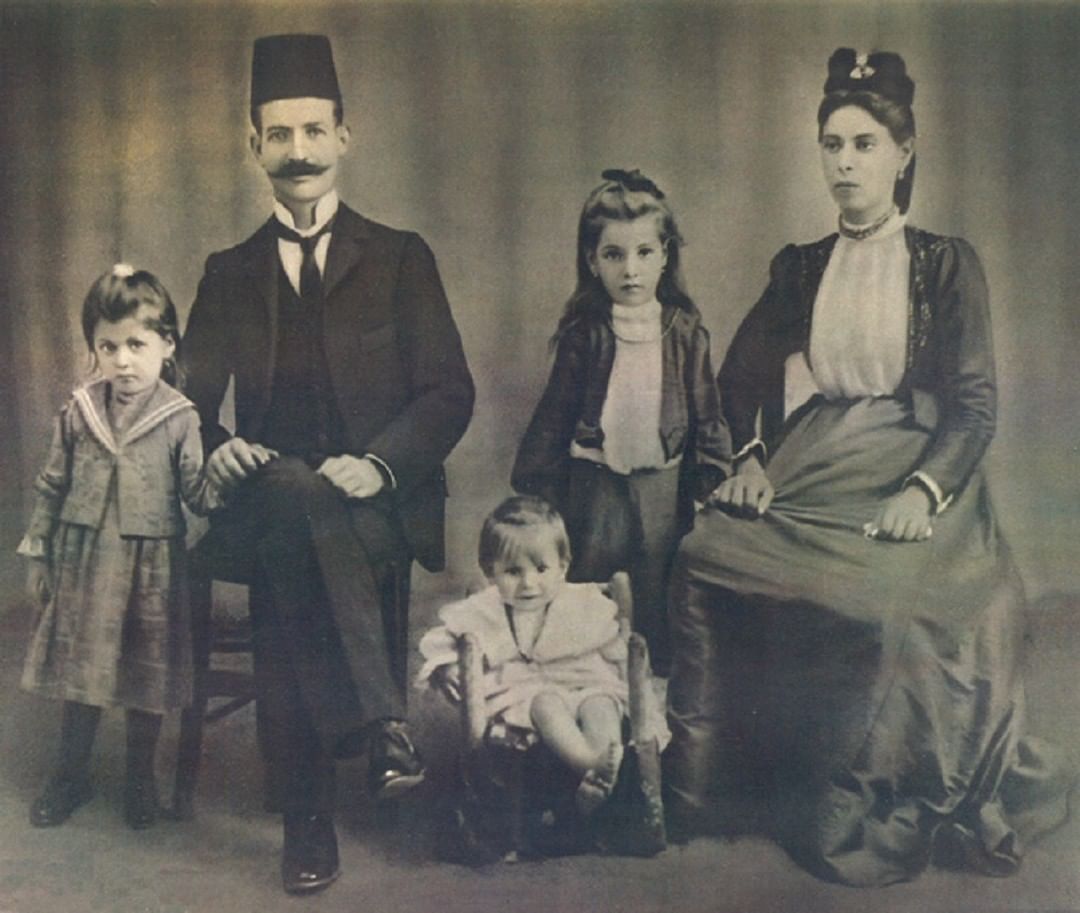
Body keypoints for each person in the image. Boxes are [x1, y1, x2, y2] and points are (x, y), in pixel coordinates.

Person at [663, 49, 1071, 886]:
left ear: (904, 152)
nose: (845, 163)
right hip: (815, 451)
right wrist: (747, 457)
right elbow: (739, 376)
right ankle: (706, 779)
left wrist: (924, 490)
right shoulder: (802, 265)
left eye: (864, 144)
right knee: (707, 551)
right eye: (831, 145)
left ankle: (855, 785)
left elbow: (976, 405)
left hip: (919, 459)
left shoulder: (946, 264)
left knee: (882, 601)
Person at [182, 34, 474, 894]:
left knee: (297, 543)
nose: (299, 151)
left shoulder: (400, 256)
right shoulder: (227, 272)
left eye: (314, 130)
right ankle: (384, 721)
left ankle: (305, 814)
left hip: (375, 499)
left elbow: (449, 393)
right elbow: (186, 407)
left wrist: (380, 465)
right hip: (264, 491)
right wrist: (214, 445)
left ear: (345, 136)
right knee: (288, 500)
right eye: (280, 134)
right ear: (254, 148)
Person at [511, 170, 732, 675]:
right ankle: (591, 693)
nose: (630, 270)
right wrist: (537, 492)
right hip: (595, 489)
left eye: (644, 253)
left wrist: (711, 480)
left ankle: (649, 716)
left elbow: (708, 415)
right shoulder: (585, 335)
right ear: (592, 261)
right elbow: (554, 415)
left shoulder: (685, 333)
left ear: (665, 254)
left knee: (657, 598)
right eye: (613, 255)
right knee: (591, 594)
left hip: (663, 489)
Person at [19, 265, 215, 831]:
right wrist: (39, 551)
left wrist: (227, 474)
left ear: (166, 344)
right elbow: (53, 484)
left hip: (150, 564)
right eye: (108, 347)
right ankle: (70, 774)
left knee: (143, 677)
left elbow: (198, 494)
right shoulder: (79, 410)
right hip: (84, 560)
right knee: (83, 673)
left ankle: (139, 783)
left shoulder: (179, 417)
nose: (122, 360)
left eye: (136, 344)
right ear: (94, 349)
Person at [416, 496, 644, 815]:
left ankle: (604, 768)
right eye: (512, 571)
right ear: (490, 571)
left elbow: (614, 647)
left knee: (603, 706)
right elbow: (444, 640)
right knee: (546, 706)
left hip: (585, 682)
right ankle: (590, 767)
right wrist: (447, 667)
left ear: (562, 566)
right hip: (529, 691)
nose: (529, 584)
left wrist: (621, 669)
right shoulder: (486, 607)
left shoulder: (582, 602)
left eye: (541, 569)